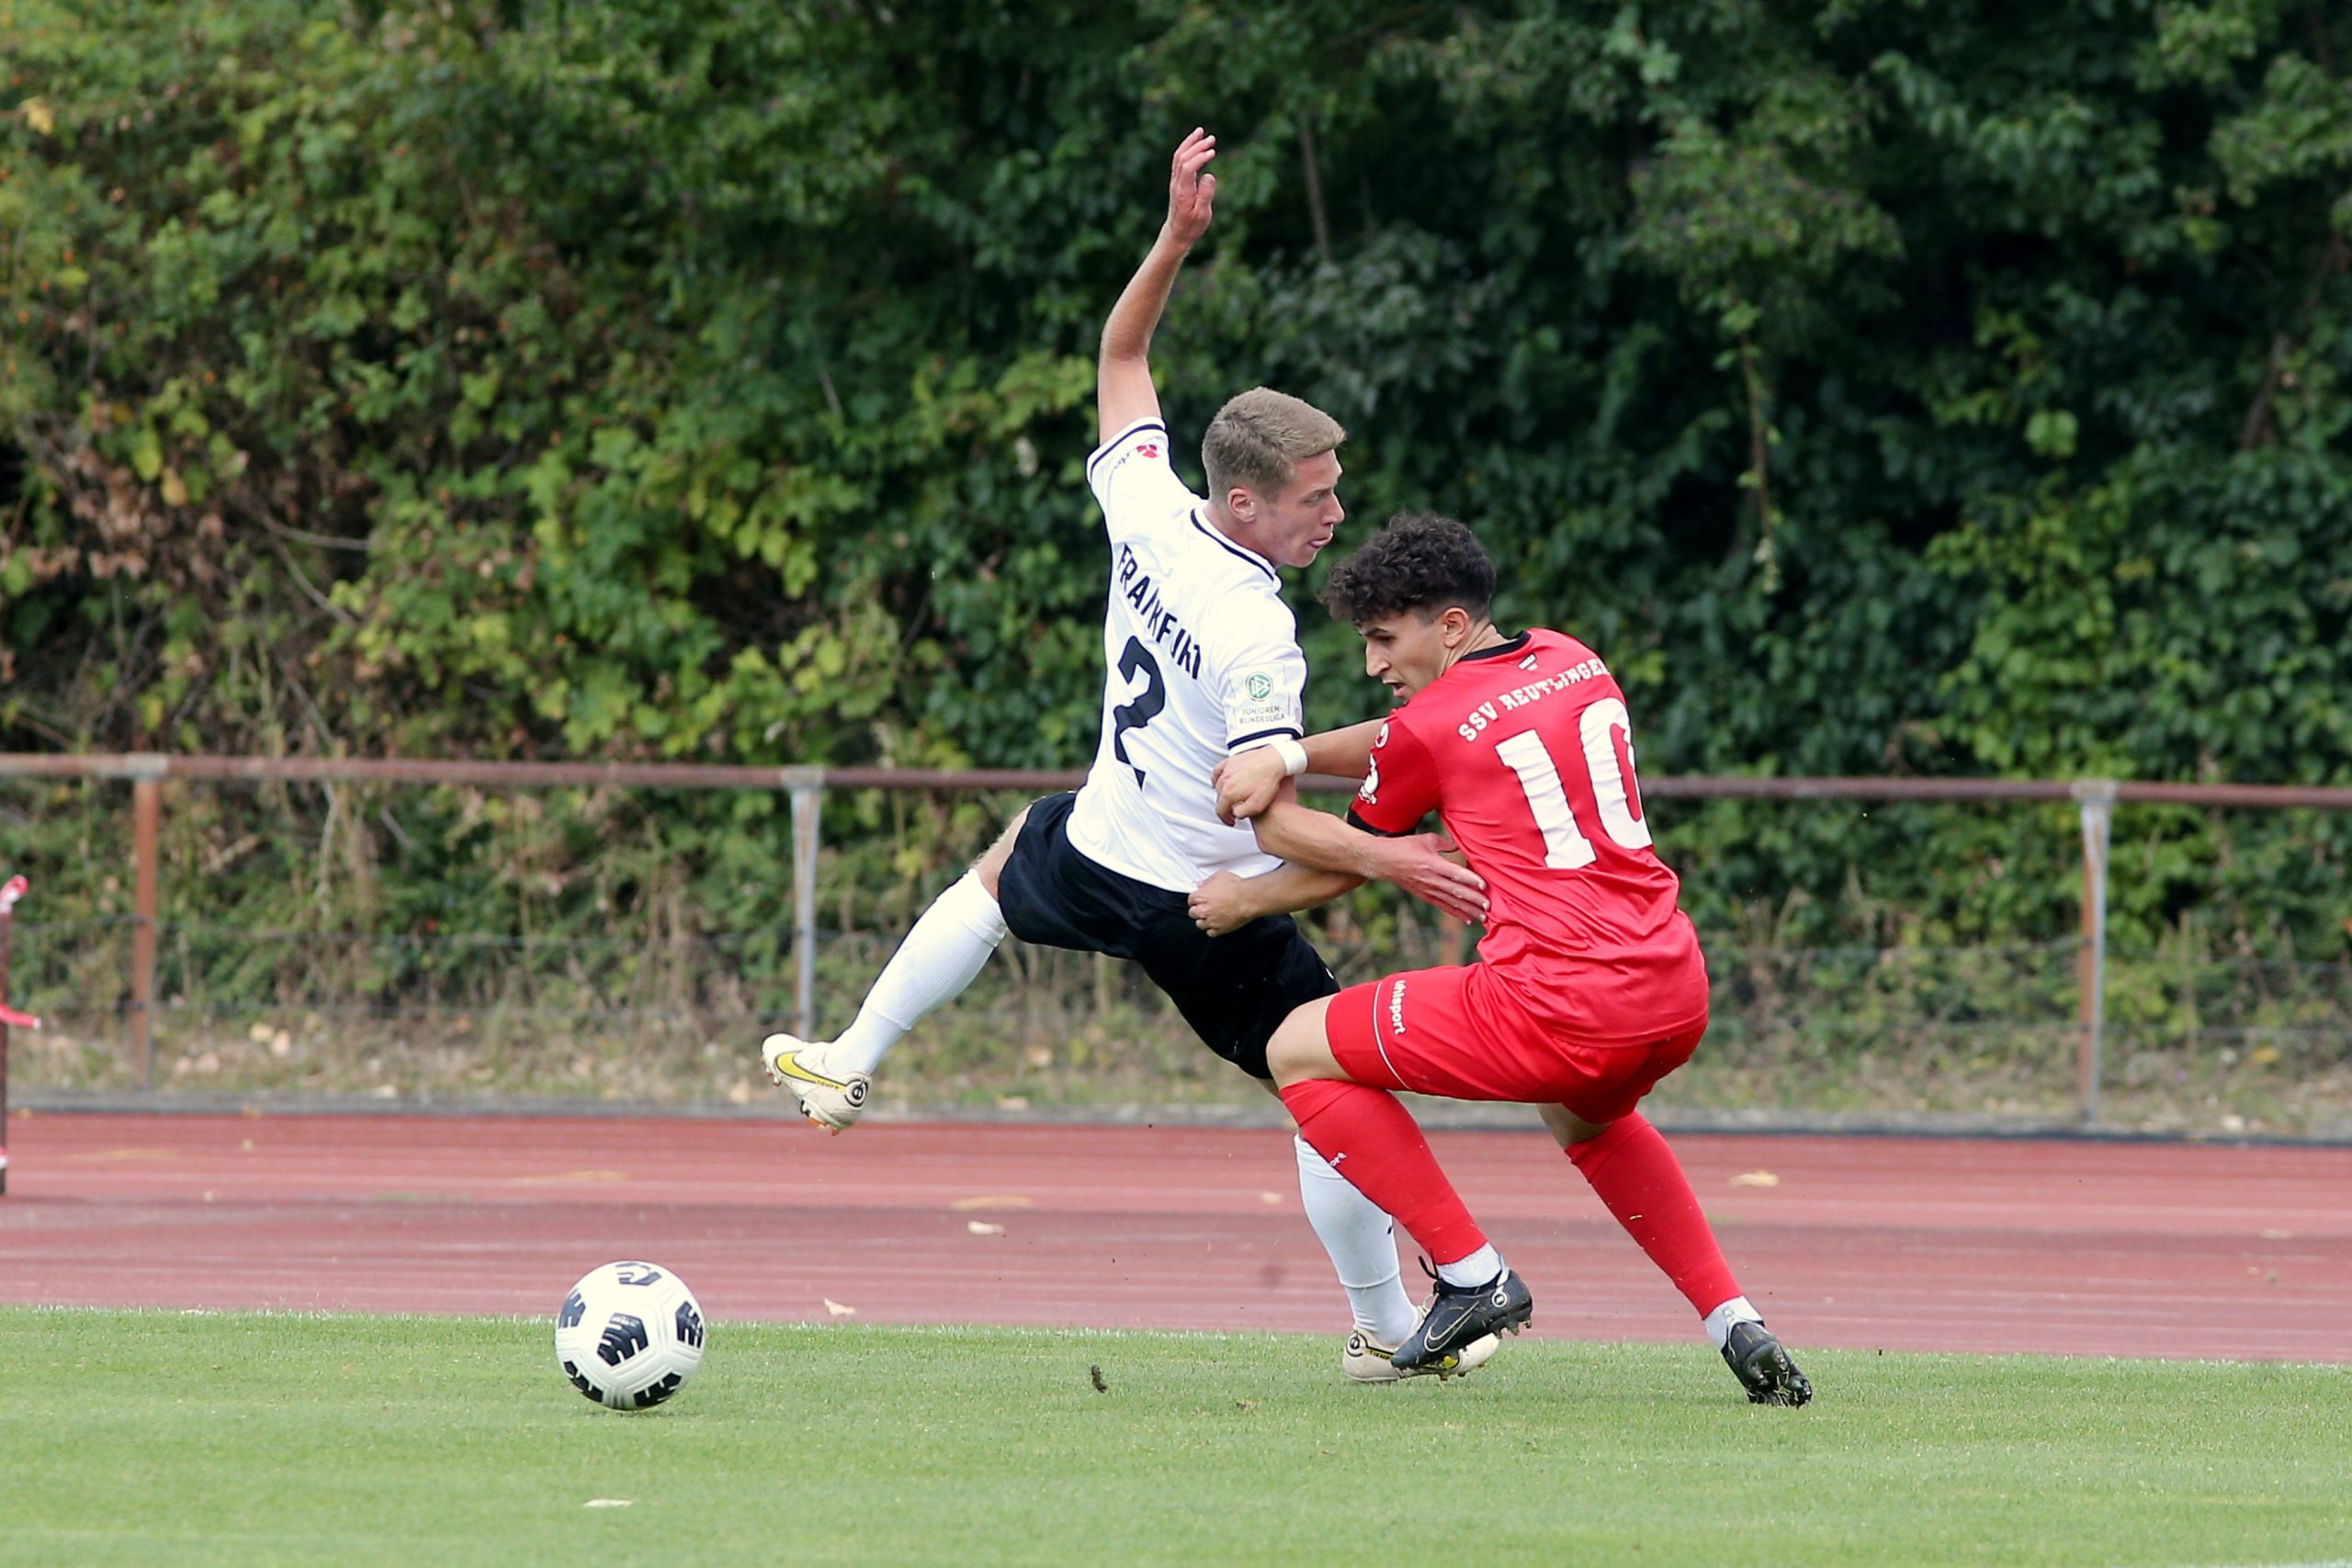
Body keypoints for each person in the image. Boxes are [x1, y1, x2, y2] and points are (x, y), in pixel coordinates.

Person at [757, 130, 1495, 1382]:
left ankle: (848, 1058)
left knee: (998, 869)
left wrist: (1175, 241)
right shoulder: (1256, 625)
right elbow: (1264, 794)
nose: (1336, 513)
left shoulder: (1150, 500)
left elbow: (1121, 354)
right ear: (1250, 503)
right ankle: (1386, 1322)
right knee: (1322, 1076)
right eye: (1317, 497)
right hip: (1205, 898)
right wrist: (1398, 851)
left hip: (1100, 836)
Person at [1193, 512, 1813, 1404]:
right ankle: (1734, 1322)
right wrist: (1288, 749)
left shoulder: (1431, 725)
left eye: (1382, 638)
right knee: (1589, 1123)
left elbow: (1344, 860)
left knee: (1295, 1048)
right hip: (1672, 988)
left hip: (1555, 1004)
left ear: (1448, 627)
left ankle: (1470, 1272)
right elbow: (1415, 731)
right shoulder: (1570, 656)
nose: (1372, 663)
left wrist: (1242, 893)